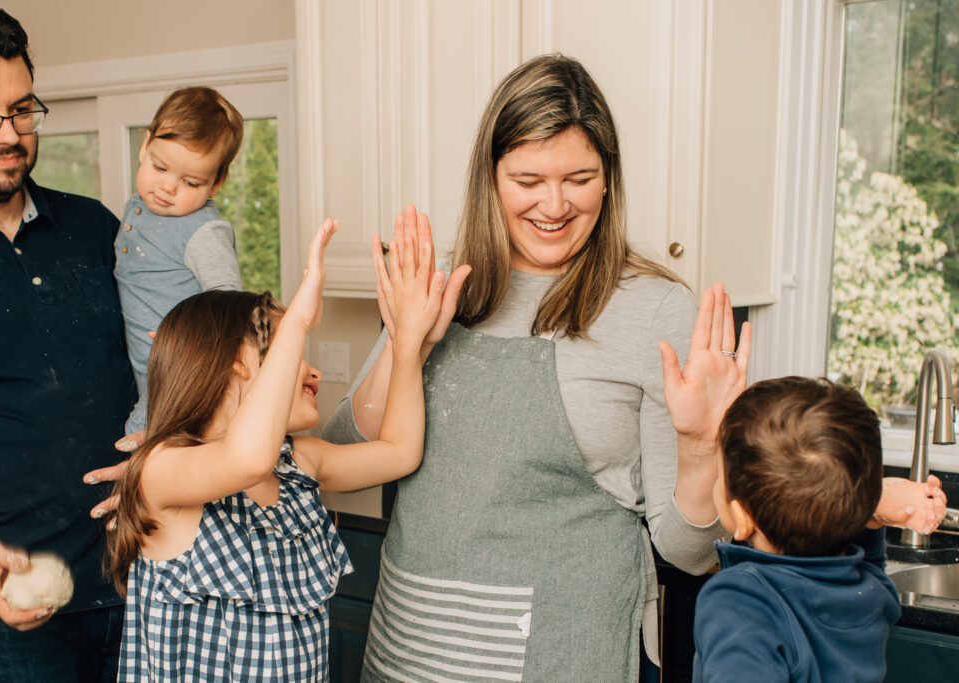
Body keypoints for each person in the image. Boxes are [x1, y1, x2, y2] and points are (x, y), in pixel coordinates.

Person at [324, 53, 750, 680]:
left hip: (560, 652)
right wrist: (407, 341)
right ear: (490, 178)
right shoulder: (443, 284)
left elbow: (687, 555)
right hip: (412, 646)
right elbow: (340, 453)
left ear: (609, 179)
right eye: (528, 180)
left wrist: (698, 446)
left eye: (579, 177)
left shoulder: (656, 309)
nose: (554, 205)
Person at [109, 219, 465, 680]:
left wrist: (410, 342)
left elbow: (399, 451)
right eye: (288, 352)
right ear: (239, 364)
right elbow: (244, 458)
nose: (312, 371)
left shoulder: (298, 463)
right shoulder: (162, 470)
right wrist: (296, 317)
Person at [0, 2, 134, 680]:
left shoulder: (94, 228)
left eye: (22, 108)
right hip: (2, 613)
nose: (8, 132)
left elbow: (167, 365)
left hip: (147, 591)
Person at [690, 377, 913, 682]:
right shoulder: (870, 591)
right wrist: (871, 511)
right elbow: (868, 558)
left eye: (720, 474)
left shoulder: (740, 601)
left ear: (742, 518)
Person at [115, 86, 244, 436]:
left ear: (216, 184)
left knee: (146, 438)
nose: (168, 187)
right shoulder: (135, 206)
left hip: (179, 371)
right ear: (144, 147)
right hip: (142, 367)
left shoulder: (202, 231)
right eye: (160, 167)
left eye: (190, 182)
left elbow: (228, 300)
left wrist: (191, 338)